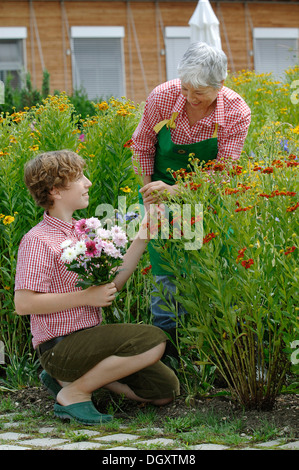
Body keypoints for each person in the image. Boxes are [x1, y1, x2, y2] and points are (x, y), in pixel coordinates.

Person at [14, 150, 179, 426]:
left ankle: (70, 381)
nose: (88, 183)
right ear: (55, 190)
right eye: (79, 178)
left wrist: (143, 234)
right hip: (60, 347)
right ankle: (75, 392)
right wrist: (85, 296)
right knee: (154, 339)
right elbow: (24, 304)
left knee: (165, 390)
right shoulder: (38, 240)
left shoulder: (81, 233)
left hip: (89, 341)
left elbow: (111, 284)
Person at [131, 42, 251, 339]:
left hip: (208, 195)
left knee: (210, 265)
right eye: (186, 89)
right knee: (166, 269)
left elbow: (225, 171)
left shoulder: (236, 111)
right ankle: (168, 348)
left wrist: (177, 191)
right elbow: (142, 146)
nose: (190, 98)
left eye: (199, 92)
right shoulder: (162, 97)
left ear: (220, 84)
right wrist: (149, 195)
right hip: (157, 188)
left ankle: (214, 343)